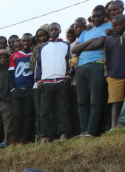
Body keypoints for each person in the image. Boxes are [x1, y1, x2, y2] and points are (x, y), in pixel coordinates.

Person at [72, 5, 112, 136]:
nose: (95, 18)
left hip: (97, 65)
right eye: (94, 16)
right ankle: (83, 130)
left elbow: (99, 44)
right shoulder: (85, 32)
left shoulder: (108, 26)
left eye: (99, 16)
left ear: (104, 16)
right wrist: (92, 41)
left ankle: (91, 130)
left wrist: (83, 46)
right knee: (82, 101)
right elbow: (74, 50)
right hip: (80, 67)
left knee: (95, 100)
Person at [36, 23, 72, 144]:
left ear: (60, 30)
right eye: (51, 30)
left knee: (63, 109)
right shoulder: (42, 47)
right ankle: (45, 136)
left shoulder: (66, 45)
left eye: (56, 29)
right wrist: (38, 80)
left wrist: (68, 76)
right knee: (44, 112)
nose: (53, 31)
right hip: (46, 83)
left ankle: (64, 133)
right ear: (49, 32)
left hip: (62, 81)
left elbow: (70, 62)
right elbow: (38, 65)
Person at [10, 33, 36, 144]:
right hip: (17, 90)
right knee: (17, 114)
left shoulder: (34, 54)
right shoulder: (15, 56)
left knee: (28, 114)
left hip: (30, 89)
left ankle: (25, 138)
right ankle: (17, 138)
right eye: (24, 41)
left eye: (28, 41)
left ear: (31, 42)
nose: (25, 43)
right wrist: (12, 89)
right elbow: (10, 73)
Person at [104, 14, 125, 129]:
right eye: (114, 25)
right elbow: (106, 58)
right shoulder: (108, 40)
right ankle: (113, 128)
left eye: (120, 24)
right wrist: (108, 74)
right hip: (114, 76)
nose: (117, 27)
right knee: (115, 103)